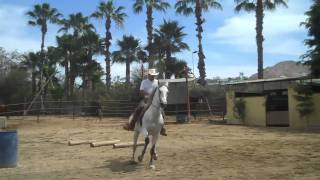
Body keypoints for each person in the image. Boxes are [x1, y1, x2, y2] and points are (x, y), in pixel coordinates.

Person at [123, 68, 167, 136]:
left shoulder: (157, 82)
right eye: (151, 75)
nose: (153, 76)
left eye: (154, 75)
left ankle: (162, 128)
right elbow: (141, 91)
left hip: (155, 100)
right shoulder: (144, 82)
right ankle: (131, 125)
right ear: (148, 75)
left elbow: (159, 91)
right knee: (139, 108)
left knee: (162, 112)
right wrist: (146, 95)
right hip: (146, 99)